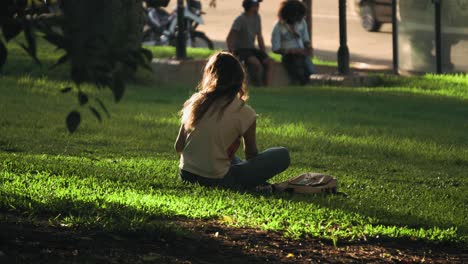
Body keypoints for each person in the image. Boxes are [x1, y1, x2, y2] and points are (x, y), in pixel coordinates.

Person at [175, 52, 290, 190]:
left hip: (186, 175)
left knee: (226, 155)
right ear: (240, 78)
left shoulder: (196, 101)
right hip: (217, 180)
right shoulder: (245, 112)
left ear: (210, 76)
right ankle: (260, 187)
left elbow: (179, 146)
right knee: (282, 154)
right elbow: (251, 156)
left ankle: (255, 183)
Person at [226, 0, 273, 87]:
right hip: (241, 49)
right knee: (255, 63)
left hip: (251, 49)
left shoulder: (257, 17)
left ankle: (267, 86)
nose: (258, 7)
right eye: (255, 5)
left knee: (269, 61)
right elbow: (230, 37)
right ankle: (257, 85)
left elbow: (259, 36)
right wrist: (232, 52)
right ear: (249, 6)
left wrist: (263, 52)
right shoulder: (240, 19)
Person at [271, 0, 313, 85]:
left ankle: (305, 81)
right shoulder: (278, 27)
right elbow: (275, 48)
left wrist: (308, 48)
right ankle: (300, 82)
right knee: (296, 64)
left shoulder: (302, 23)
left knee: (310, 69)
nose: (300, 19)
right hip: (289, 56)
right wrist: (290, 51)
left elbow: (306, 40)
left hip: (302, 54)